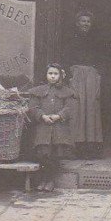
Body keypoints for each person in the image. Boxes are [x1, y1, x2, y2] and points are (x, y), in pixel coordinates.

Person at [27, 63, 79, 192]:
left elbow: (70, 108)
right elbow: (33, 107)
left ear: (60, 75)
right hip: (43, 128)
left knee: (54, 155)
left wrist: (58, 116)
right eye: (50, 73)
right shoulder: (38, 91)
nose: (53, 76)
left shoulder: (67, 92)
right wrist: (42, 116)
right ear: (46, 75)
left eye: (55, 74)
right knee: (43, 154)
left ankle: (50, 180)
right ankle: (43, 179)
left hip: (59, 128)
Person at [63, 8, 105, 158]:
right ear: (77, 23)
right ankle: (75, 147)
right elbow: (66, 59)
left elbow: (102, 60)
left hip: (92, 76)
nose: (85, 24)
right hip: (76, 75)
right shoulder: (70, 39)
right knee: (77, 109)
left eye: (88, 21)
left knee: (91, 110)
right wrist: (70, 75)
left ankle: (91, 148)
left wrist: (98, 74)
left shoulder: (97, 40)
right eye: (83, 21)